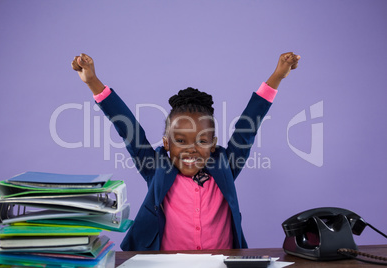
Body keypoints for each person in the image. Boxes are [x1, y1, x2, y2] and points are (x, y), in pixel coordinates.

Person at [71, 52, 300, 251]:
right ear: (166, 143)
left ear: (213, 144)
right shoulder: (155, 167)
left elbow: (249, 124)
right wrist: (92, 81)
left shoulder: (225, 166)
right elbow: (128, 129)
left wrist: (277, 76)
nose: (191, 148)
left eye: (201, 140)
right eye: (180, 140)